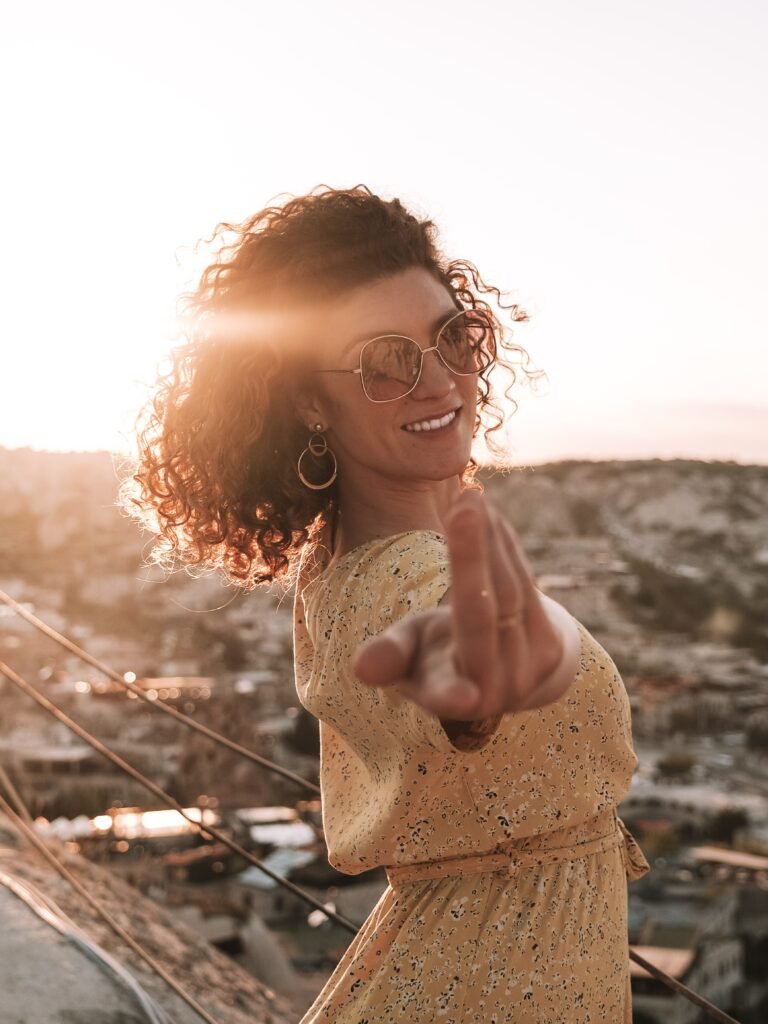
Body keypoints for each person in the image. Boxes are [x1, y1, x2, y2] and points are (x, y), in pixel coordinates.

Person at [121, 184, 651, 1022]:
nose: (439, 380)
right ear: (305, 400)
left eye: (453, 338)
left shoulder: (354, 555)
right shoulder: (396, 581)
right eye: (384, 362)